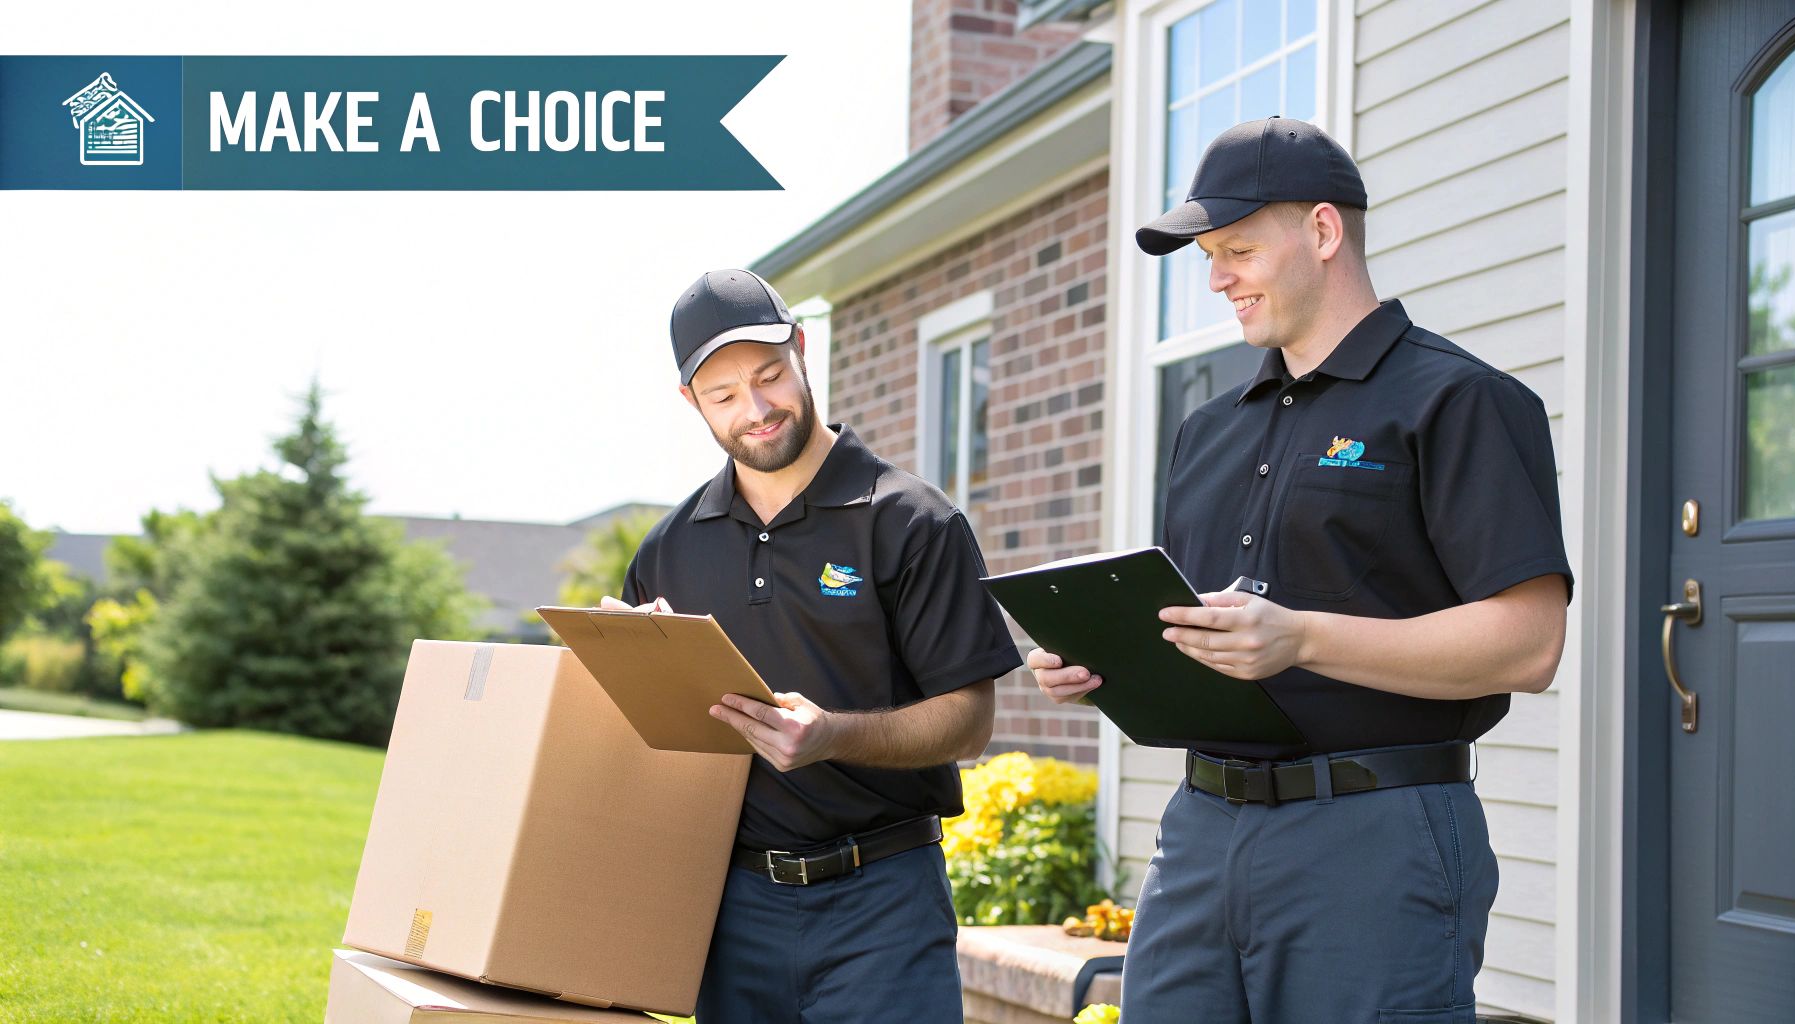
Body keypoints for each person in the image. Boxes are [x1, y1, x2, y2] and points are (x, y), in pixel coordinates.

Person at [1028, 117, 1572, 1023]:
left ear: (1324, 233)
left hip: (1376, 835)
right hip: (1201, 832)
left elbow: (1529, 644)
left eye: (1238, 248)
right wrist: (1103, 661)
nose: (1216, 279)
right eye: (1208, 255)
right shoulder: (1208, 429)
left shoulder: (1460, 401)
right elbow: (1204, 632)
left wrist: (1302, 638)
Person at [605, 268, 1022, 1024]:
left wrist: (832, 736)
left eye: (769, 377)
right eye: (724, 395)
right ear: (690, 403)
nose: (757, 410)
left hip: (882, 904)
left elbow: (969, 720)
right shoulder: (666, 551)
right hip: (731, 910)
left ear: (802, 350)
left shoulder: (911, 522)